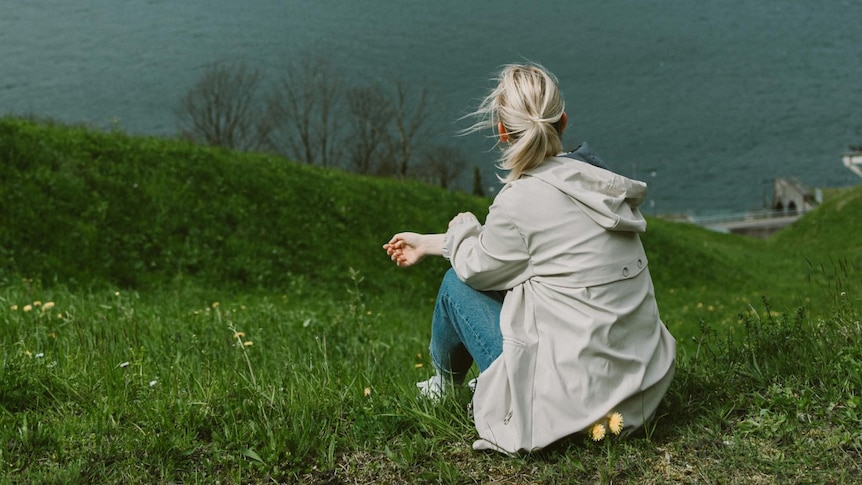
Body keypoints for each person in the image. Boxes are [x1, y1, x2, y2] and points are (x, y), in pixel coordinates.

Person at [383, 63, 676, 454]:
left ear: (502, 131)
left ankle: (445, 385)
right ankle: (458, 384)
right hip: (640, 395)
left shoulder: (519, 201)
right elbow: (513, 255)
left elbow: (474, 267)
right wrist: (430, 242)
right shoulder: (599, 184)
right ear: (564, 121)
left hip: (576, 413)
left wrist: (457, 231)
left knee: (456, 284)